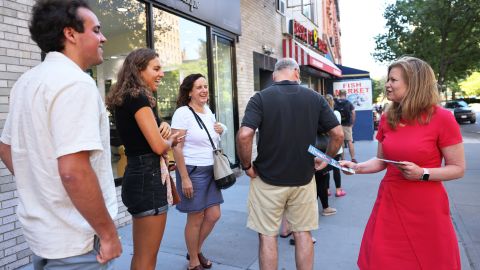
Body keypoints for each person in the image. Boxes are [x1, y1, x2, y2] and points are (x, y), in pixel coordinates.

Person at [0, 0, 122, 269]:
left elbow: (5, 147)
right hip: (76, 242)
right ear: (70, 34)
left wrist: (44, 191)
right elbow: (73, 171)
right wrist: (108, 234)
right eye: (96, 30)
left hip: (42, 237)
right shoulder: (76, 83)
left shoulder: (26, 82)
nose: (103, 38)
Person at [340, 56, 465, 270]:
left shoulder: (442, 118)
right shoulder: (389, 117)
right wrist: (357, 167)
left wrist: (423, 173)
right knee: (383, 260)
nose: (387, 84)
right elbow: (381, 160)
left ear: (414, 83)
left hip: (427, 207)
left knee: (430, 261)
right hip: (391, 202)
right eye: (388, 79)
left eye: (393, 80)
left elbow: (458, 168)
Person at [237, 58, 343, 270]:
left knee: (267, 236)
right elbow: (338, 134)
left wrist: (247, 166)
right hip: (303, 179)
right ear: (296, 72)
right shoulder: (315, 98)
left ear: (275, 75)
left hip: (267, 179)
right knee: (303, 233)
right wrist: (326, 159)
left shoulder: (260, 98)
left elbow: (244, 135)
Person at [106, 48, 179, 270]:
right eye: (156, 68)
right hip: (148, 179)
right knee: (148, 258)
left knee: (141, 256)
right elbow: (158, 145)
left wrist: (164, 126)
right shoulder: (138, 97)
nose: (162, 73)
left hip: (137, 176)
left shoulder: (125, 97)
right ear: (139, 70)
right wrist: (172, 140)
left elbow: (149, 134)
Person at [171, 73, 225, 270]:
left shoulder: (207, 111)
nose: (204, 90)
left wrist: (221, 129)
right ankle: (193, 260)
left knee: (214, 215)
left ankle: (195, 249)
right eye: (199, 87)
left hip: (212, 170)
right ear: (190, 92)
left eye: (206, 86)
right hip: (193, 171)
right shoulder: (183, 113)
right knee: (196, 217)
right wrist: (184, 178)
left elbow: (212, 139)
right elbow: (176, 147)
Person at [325, 94, 346, 198]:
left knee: (326, 169)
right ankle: (338, 190)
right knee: (336, 168)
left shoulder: (321, 114)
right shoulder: (336, 113)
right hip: (335, 145)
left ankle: (327, 189)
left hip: (325, 145)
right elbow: (338, 130)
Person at [335, 89, 357, 162]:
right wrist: (352, 123)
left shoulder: (335, 103)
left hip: (338, 125)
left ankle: (343, 159)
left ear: (339, 94)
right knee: (350, 141)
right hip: (347, 125)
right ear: (345, 94)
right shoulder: (349, 103)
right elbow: (353, 113)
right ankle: (353, 158)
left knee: (340, 142)